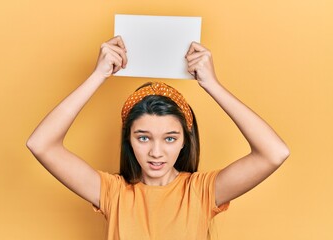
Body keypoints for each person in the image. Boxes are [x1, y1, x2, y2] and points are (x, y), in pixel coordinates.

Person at [27, 36, 290, 239]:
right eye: (143, 138)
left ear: (186, 140)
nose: (156, 152)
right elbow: (41, 144)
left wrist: (213, 85)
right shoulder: (112, 193)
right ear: (128, 140)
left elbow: (274, 152)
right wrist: (99, 75)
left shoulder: (201, 192)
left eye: (170, 138)